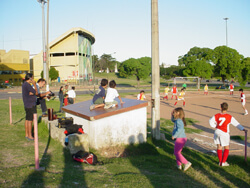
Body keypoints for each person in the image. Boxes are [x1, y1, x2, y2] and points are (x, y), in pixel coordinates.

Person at [209, 102, 246, 166]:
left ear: (221, 108)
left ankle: (220, 162)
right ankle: (223, 162)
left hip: (217, 131)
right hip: (224, 133)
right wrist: (242, 129)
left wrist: (215, 126)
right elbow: (236, 124)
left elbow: (210, 121)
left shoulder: (217, 115)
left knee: (219, 146)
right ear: (227, 108)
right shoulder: (229, 116)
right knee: (226, 147)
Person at [171, 107, 192, 171]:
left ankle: (186, 163)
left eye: (175, 112)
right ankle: (178, 165)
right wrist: (172, 115)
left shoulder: (179, 121)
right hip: (182, 138)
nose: (174, 113)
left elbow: (180, 129)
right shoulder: (178, 120)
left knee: (176, 153)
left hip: (180, 138)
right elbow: (173, 120)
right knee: (177, 152)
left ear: (178, 113)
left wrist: (174, 136)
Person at [22, 73, 38, 141]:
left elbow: (31, 92)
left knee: (27, 119)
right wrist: (34, 84)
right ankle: (30, 136)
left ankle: (27, 134)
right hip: (30, 105)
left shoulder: (24, 84)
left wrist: (32, 93)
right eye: (32, 78)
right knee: (30, 120)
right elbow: (36, 92)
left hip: (27, 104)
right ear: (30, 78)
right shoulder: (27, 85)